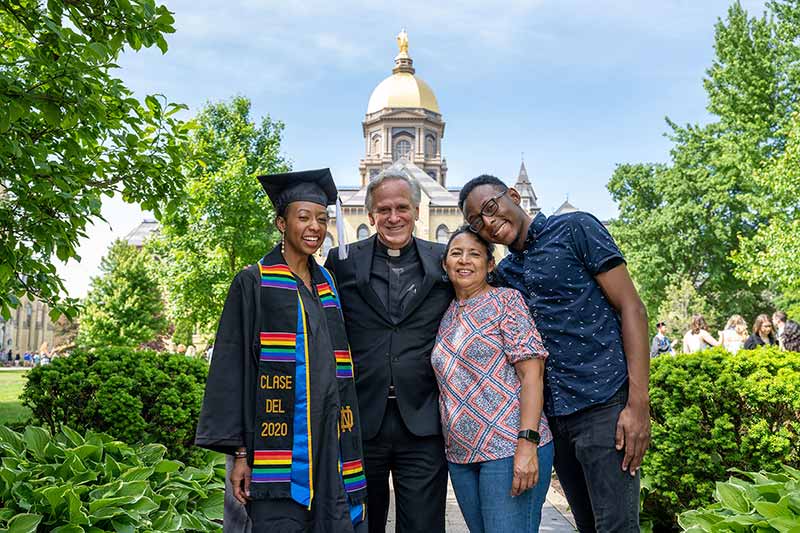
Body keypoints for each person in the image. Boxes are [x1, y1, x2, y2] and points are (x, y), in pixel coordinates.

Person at [459, 175, 650, 532]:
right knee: (588, 525)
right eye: (476, 222)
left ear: (513, 196)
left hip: (602, 404)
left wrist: (638, 404)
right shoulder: (505, 275)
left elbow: (632, 308)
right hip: (554, 420)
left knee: (617, 527)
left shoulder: (575, 228)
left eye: (490, 208)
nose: (487, 222)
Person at [195, 169, 368, 533]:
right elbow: (232, 368)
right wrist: (240, 454)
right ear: (280, 222)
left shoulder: (327, 284)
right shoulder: (254, 281)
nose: (314, 227)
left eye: (321, 219)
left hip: (330, 442)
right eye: (303, 217)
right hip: (277, 447)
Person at [325, 168, 453, 533]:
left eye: (402, 207)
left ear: (416, 210)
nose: (393, 217)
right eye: (384, 209)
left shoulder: (443, 261)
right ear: (371, 216)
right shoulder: (342, 261)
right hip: (362, 419)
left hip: (423, 419)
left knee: (424, 525)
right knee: (362, 523)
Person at [431, 227, 553, 533]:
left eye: (474, 254)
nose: (464, 260)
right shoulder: (446, 314)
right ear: (445, 264)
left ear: (490, 264)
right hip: (461, 457)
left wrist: (527, 445)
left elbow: (532, 374)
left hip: (509, 449)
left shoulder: (506, 302)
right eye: (456, 253)